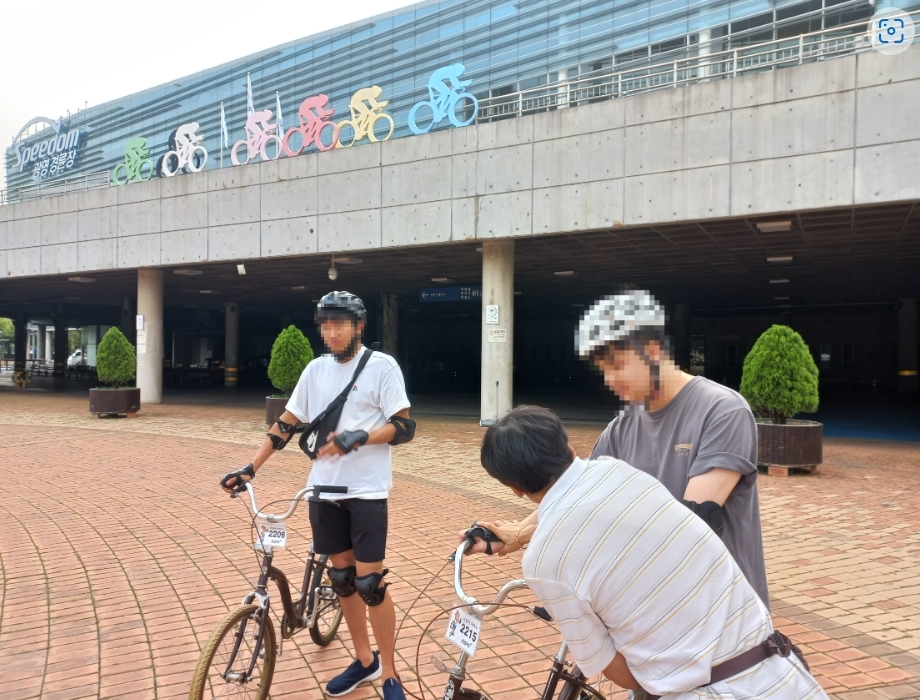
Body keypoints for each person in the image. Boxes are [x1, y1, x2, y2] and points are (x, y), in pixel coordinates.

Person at [471, 406, 824, 700]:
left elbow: (619, 673)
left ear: (514, 489)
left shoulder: (543, 562)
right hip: (783, 672)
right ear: (570, 448)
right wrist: (519, 535)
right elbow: (586, 513)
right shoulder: (624, 473)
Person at [467, 290, 769, 610]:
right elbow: (574, 492)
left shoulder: (722, 411)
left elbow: (689, 522)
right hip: (654, 606)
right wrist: (516, 533)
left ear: (652, 350)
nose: (611, 380)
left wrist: (550, 546)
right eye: (603, 368)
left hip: (720, 607)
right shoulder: (623, 426)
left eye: (617, 365)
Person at [221, 291, 415, 700]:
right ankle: (365, 661)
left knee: (370, 584)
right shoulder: (314, 370)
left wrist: (361, 436)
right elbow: (286, 425)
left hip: (366, 492)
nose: (332, 331)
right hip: (322, 491)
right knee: (343, 580)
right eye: (326, 324)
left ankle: (390, 673)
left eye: (340, 323)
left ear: (359, 326)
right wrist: (249, 467)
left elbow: (404, 426)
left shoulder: (382, 368)